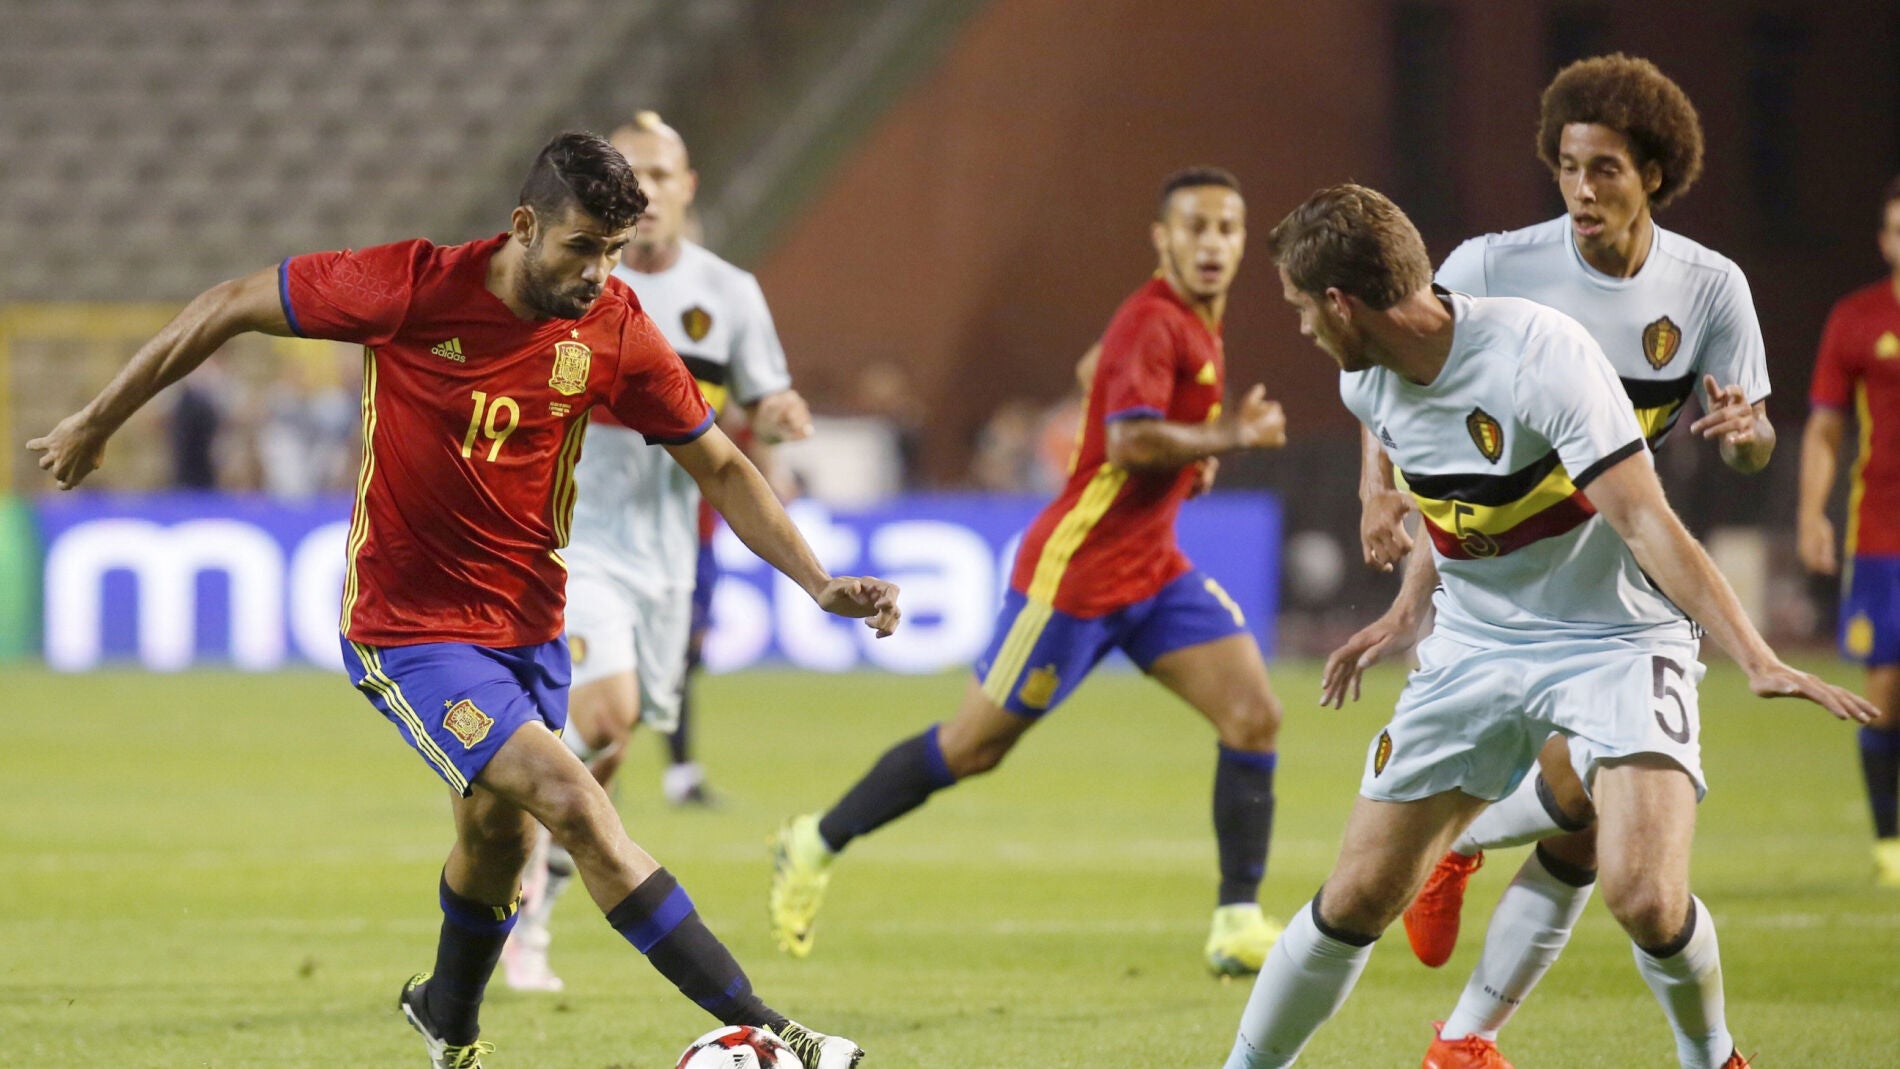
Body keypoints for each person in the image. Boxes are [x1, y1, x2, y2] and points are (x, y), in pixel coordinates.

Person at [27, 132, 893, 1069]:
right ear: (523, 227)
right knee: (575, 799)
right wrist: (96, 419)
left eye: (614, 250)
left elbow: (719, 462)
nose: (601, 272)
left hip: (527, 627)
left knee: (494, 837)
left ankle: (446, 1020)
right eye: (582, 248)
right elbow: (229, 302)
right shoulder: (407, 286)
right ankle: (777, 1032)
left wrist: (815, 579)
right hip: (409, 634)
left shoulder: (616, 327)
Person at [1224, 182, 1875, 1069]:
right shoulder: (1366, 383)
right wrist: (1404, 595)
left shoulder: (1538, 354)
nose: (1302, 328)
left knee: (1644, 893)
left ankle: (1710, 1053)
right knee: (1359, 894)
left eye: (1303, 309)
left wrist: (1755, 655)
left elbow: (1647, 521)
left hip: (1615, 634)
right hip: (1476, 646)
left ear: (1341, 302)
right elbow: (1446, 490)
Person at [1349, 54, 1776, 1066]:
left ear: (1656, 175)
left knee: (1602, 845)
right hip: (1501, 584)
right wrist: (1378, 485)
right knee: (1592, 828)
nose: (1582, 190)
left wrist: (1745, 433)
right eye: (1569, 167)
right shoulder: (1494, 263)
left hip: (1621, 583)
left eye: (1607, 170)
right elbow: (1394, 357)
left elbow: (1754, 435)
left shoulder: (1711, 288)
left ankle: (1462, 1034)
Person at [769, 166, 1294, 976]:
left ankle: (1235, 921)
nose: (1214, 243)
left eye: (1228, 228)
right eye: (1196, 227)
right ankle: (814, 839)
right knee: (973, 747)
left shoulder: (1195, 319)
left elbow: (1095, 376)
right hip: (1074, 577)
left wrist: (1190, 452)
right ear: (1163, 238)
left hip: (1153, 570)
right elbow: (1126, 441)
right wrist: (1222, 439)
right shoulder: (1151, 321)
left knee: (1254, 712)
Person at [500, 113, 812, 994]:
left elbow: (758, 396)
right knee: (606, 717)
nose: (652, 189)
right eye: (635, 174)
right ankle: (520, 904)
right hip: (571, 540)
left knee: (607, 745)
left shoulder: (731, 293)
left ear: (687, 186)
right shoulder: (570, 283)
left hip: (671, 555)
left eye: (664, 174)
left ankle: (527, 870)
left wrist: (780, 409)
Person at [1798, 173, 1900, 889]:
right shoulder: (1857, 318)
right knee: (1886, 688)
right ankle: (1890, 842)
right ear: (1884, 239)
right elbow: (1827, 429)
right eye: (1898, 229)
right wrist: (1811, 512)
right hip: (1883, 535)